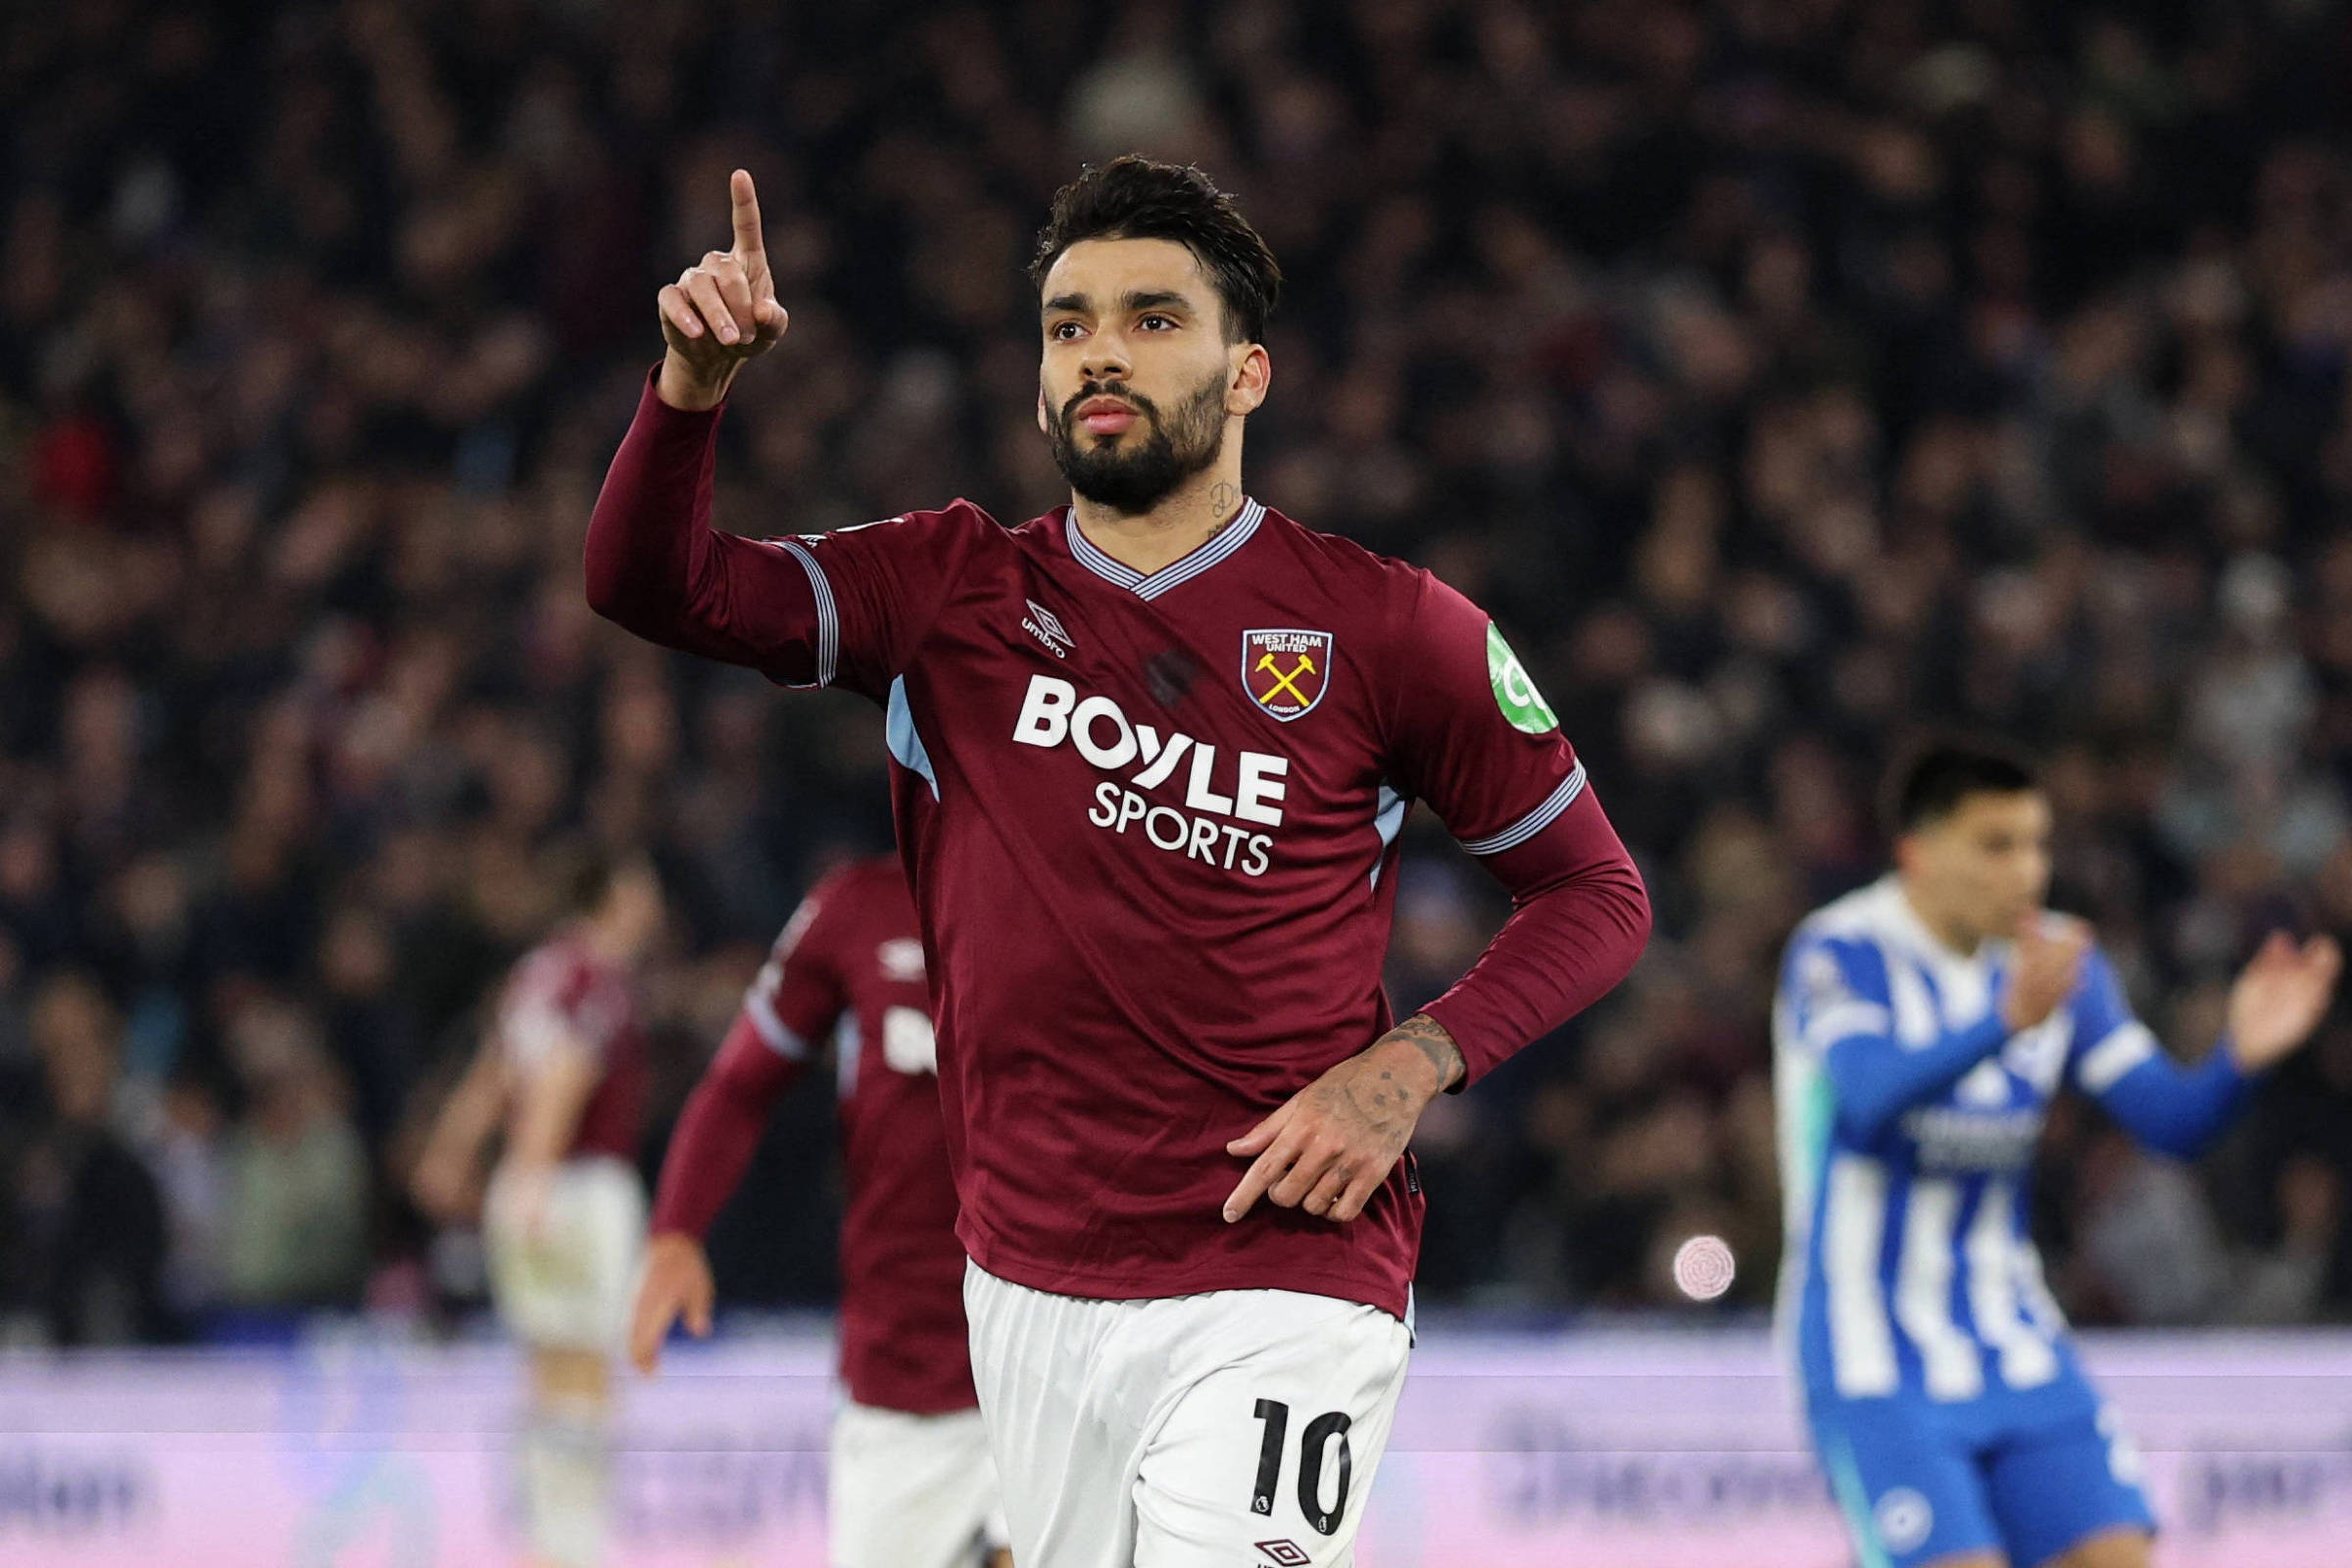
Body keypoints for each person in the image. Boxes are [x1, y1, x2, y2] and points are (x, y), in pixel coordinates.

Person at [584, 155, 1650, 1567]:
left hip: (1285, 1269)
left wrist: (1411, 1067)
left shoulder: (1391, 629)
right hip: (1028, 1283)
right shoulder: (948, 587)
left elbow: (1597, 892)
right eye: (1069, 324)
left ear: (1248, 373)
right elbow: (648, 584)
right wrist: (689, 394)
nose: (1102, 351)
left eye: (1154, 319)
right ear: (1038, 385)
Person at [1773, 742, 2341, 1568]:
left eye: (2037, 844)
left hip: (2013, 1334)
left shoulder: (2060, 961)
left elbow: (2169, 1122)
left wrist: (2239, 1059)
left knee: (2117, 1555)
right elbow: (1865, 1099)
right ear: (1918, 854)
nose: (2027, 871)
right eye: (1996, 846)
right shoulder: (1840, 950)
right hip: (1874, 1353)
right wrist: (2001, 1022)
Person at [628, 856, 1011, 1568]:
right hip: (904, 1380)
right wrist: (675, 1231)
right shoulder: (858, 908)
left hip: (1057, 1355)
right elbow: (740, 1087)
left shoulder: (1088, 891)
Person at [412, 849, 663, 1568]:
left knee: (543, 1368)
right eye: (642, 890)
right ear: (613, 897)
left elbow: (495, 1072)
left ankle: (545, 1543)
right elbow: (564, 1075)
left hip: (531, 1183)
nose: (654, 904)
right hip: (578, 1188)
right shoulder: (597, 981)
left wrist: (452, 1153)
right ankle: (573, 1545)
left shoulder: (536, 973)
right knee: (585, 1368)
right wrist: (534, 1172)